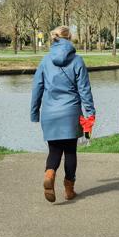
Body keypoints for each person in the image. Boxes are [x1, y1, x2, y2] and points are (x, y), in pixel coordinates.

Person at [30, 26, 96, 203]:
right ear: (70, 38)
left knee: (54, 150)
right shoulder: (77, 61)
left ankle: (49, 174)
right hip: (70, 112)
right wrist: (90, 113)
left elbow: (37, 88)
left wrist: (34, 113)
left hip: (50, 113)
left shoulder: (45, 61)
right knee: (70, 151)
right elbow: (84, 90)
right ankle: (69, 189)